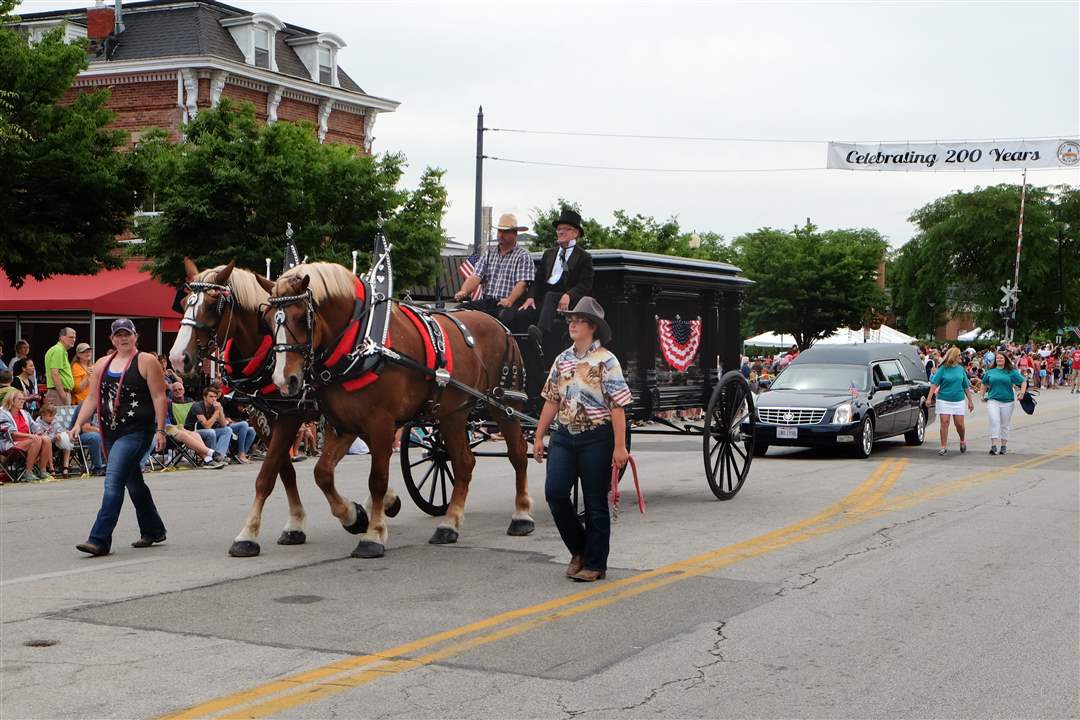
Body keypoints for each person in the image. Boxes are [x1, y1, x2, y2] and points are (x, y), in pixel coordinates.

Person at [532, 297, 631, 583]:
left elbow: (617, 406)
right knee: (555, 493)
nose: (572, 324)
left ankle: (595, 564)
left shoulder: (607, 361)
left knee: (595, 501)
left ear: (592, 327)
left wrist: (620, 446)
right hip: (564, 436)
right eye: (571, 320)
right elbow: (552, 400)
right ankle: (579, 549)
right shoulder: (562, 359)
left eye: (578, 321)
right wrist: (540, 435)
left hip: (596, 438)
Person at [71, 318, 169, 556]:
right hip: (110, 431)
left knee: (113, 479)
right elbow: (92, 399)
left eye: (127, 334)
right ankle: (154, 529)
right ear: (112, 339)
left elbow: (159, 396)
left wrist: (160, 429)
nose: (123, 338)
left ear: (135, 336)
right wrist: (78, 424)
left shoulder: (146, 361)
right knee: (133, 482)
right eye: (118, 335)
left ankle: (99, 539)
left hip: (137, 432)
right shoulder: (103, 363)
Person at [519, 209, 594, 353]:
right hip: (545, 300)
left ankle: (539, 336)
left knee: (551, 297)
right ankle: (522, 354)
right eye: (559, 229)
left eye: (566, 229)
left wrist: (569, 295)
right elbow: (538, 280)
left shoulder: (584, 257)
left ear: (575, 233)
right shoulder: (549, 254)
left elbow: (585, 284)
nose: (561, 232)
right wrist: (530, 297)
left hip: (566, 301)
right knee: (522, 313)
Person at [453, 213, 535, 327]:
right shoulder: (489, 254)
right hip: (489, 301)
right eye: (499, 231)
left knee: (505, 317)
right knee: (458, 312)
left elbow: (522, 284)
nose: (501, 235)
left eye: (505, 232)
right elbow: (476, 276)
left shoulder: (523, 256)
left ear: (515, 234)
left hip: (511, 303)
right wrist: (464, 291)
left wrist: (509, 300)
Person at [923, 346, 975, 456]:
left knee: (959, 424)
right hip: (944, 399)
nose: (961, 357)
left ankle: (962, 440)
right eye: (959, 355)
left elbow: (966, 386)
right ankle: (943, 446)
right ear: (953, 356)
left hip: (958, 400)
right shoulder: (943, 369)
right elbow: (934, 384)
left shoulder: (961, 369)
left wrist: (970, 401)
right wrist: (929, 398)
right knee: (944, 422)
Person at [185, 386, 255, 463]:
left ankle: (219, 456)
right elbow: (206, 426)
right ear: (204, 397)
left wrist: (220, 410)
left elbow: (224, 425)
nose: (214, 399)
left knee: (227, 430)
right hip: (194, 432)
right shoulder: (197, 406)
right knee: (211, 432)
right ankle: (215, 456)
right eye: (211, 396)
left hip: (210, 429)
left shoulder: (215, 406)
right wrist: (216, 412)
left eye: (215, 397)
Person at [0, 390, 53, 480]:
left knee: (46, 439)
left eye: (23, 399)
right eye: (19, 399)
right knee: (36, 439)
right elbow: (12, 434)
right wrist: (31, 436)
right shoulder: (3, 414)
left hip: (27, 441)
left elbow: (35, 427)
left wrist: (40, 432)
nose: (22, 401)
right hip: (9, 443)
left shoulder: (25, 413)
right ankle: (28, 471)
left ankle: (43, 471)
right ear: (11, 401)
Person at [981, 351, 1027, 456]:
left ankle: (1003, 446)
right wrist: (982, 395)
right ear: (995, 360)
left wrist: (1022, 393)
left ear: (1005, 359)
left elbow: (1023, 381)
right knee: (994, 421)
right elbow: (984, 384)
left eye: (1001, 358)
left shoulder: (1011, 371)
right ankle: (993, 446)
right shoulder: (990, 372)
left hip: (1007, 401)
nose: (999, 360)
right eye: (997, 358)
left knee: (1004, 424)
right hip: (993, 400)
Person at [34, 404, 74, 477]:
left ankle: (66, 467)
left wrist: (58, 435)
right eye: (50, 416)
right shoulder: (38, 423)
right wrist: (53, 438)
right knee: (48, 443)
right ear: (43, 415)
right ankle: (51, 468)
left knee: (66, 440)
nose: (52, 418)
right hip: (45, 443)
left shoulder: (54, 421)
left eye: (53, 416)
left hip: (56, 442)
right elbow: (40, 435)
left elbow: (59, 430)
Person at [44, 327, 77, 407]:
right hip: (58, 394)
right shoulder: (58, 350)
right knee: (59, 419)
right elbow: (54, 373)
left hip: (59, 393)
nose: (74, 339)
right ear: (62, 337)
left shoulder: (59, 350)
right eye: (71, 337)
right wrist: (63, 395)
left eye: (75, 337)